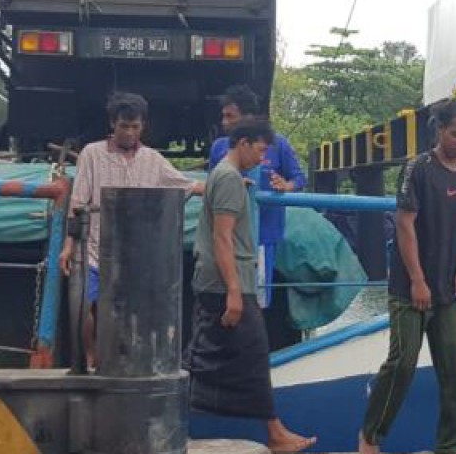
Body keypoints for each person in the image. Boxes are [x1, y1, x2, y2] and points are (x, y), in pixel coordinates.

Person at [187, 116, 316, 453]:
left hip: (226, 281)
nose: (262, 159)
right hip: (228, 283)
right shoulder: (229, 179)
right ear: (243, 143)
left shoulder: (227, 177)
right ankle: (275, 434)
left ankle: (274, 431)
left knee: (219, 355)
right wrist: (233, 292)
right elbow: (223, 238)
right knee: (252, 355)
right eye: (259, 150)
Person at [359, 96, 456, 454]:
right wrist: (417, 280)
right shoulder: (417, 168)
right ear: (440, 129)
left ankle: (452, 447)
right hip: (410, 289)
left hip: (448, 290)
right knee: (402, 364)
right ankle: (370, 436)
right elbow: (404, 224)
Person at [59, 92, 200, 371]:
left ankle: (125, 360)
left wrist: (226, 184)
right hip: (95, 245)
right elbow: (78, 202)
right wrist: (68, 246)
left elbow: (186, 185)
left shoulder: (152, 160)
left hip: (135, 252)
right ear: (113, 124)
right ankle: (91, 358)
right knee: (85, 305)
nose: (129, 132)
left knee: (127, 312)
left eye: (135, 126)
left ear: (142, 127)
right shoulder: (92, 154)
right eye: (124, 126)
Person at [207, 84, 306, 306]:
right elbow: (213, 185)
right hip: (229, 234)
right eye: (223, 116)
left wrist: (285, 185)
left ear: (248, 118)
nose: (224, 122)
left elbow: (299, 178)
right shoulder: (219, 148)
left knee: (257, 298)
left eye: (230, 116)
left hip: (263, 234)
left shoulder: (278, 144)